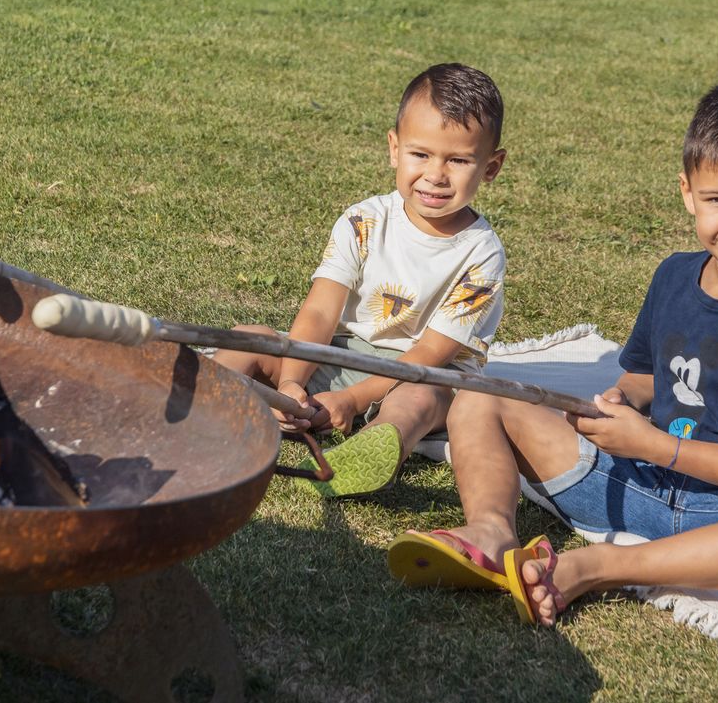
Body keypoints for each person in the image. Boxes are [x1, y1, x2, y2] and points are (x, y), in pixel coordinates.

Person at [390, 80, 718, 625]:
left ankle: (600, 566)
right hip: (630, 484)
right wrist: (614, 403)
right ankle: (492, 533)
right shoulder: (675, 277)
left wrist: (657, 446)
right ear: (688, 193)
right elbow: (645, 380)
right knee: (479, 399)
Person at [214, 63, 508, 498]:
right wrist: (294, 380)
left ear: (491, 166)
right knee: (247, 340)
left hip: (423, 374)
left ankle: (373, 449)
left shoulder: (482, 253)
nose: (436, 174)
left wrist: (352, 401)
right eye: (420, 154)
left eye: (459, 160)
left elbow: (430, 353)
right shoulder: (364, 221)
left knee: (417, 402)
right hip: (343, 355)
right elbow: (320, 309)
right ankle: (201, 412)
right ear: (394, 148)